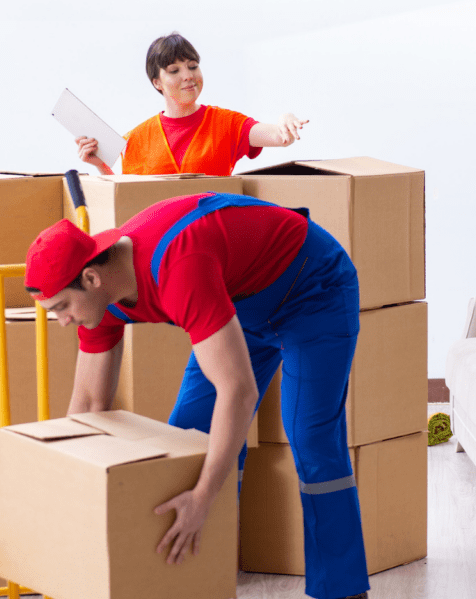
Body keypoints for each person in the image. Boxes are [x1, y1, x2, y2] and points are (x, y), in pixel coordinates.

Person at [24, 191, 371, 599]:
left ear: (90, 278)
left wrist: (205, 496)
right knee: (190, 438)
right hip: (238, 301)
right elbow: (88, 407)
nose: (63, 321)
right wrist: (67, 496)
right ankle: (205, 579)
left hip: (312, 289)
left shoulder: (176, 266)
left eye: (62, 307)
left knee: (311, 437)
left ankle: (343, 590)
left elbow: (238, 392)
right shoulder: (101, 300)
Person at [75, 32, 309, 176]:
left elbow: (281, 137)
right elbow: (128, 198)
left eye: (193, 66)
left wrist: (286, 120)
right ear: (157, 82)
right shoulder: (135, 140)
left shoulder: (226, 124)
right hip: (161, 249)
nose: (188, 75)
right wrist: (100, 166)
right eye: (175, 70)